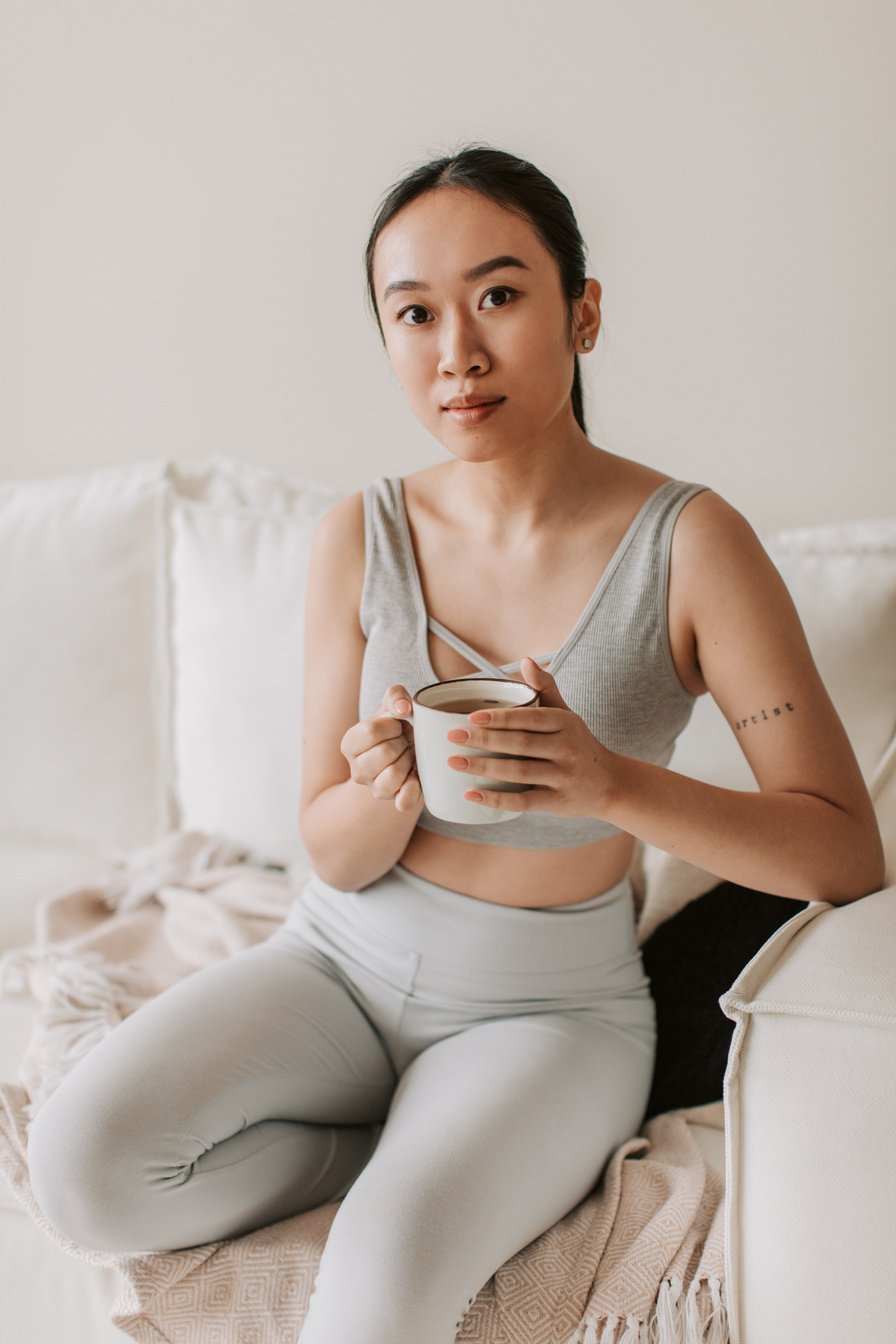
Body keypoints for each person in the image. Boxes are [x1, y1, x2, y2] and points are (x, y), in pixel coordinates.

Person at [26, 144, 884, 1344]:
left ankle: (432, 1174)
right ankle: (386, 1156)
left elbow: (844, 856)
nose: (456, 353)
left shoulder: (691, 545)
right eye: (413, 313)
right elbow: (324, 847)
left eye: (497, 295)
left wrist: (611, 782)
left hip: (548, 1013)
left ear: (581, 312)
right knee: (82, 1171)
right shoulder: (358, 532)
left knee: (372, 1304)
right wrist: (381, 791)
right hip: (335, 964)